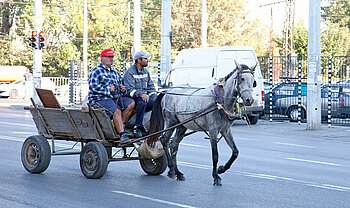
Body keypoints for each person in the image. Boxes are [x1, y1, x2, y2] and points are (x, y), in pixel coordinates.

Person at [88, 49, 135, 144]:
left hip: (114, 99)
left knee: (131, 103)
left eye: (112, 57)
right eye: (109, 57)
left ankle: (117, 126)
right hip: (99, 99)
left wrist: (122, 89)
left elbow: (120, 84)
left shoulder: (115, 72)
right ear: (102, 58)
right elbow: (93, 87)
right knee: (116, 110)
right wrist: (108, 89)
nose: (111, 59)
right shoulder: (96, 71)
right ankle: (122, 134)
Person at [123, 51, 157, 137]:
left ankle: (154, 126)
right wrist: (141, 94)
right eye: (145, 59)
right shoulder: (130, 72)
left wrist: (155, 97)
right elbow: (129, 90)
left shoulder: (145, 72)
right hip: (133, 98)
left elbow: (151, 87)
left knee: (158, 104)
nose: (147, 60)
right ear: (139, 60)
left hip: (145, 98)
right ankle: (137, 127)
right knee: (142, 102)